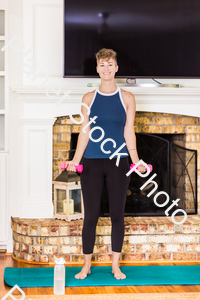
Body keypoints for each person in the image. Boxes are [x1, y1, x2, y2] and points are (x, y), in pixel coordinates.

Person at [66, 48, 146, 280]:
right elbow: (85, 132)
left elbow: (128, 131)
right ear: (97, 69)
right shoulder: (88, 99)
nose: (107, 68)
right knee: (90, 216)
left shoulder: (128, 98)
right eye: (102, 64)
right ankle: (86, 265)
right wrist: (75, 160)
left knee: (117, 215)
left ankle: (115, 266)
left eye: (110, 64)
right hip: (91, 163)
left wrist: (136, 159)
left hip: (118, 164)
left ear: (116, 68)